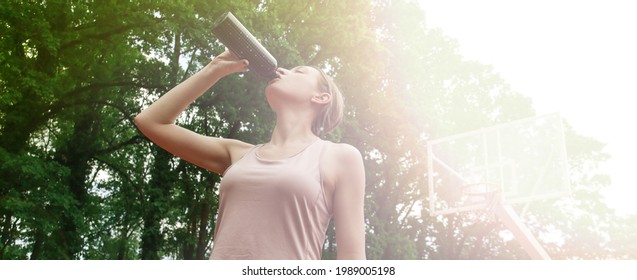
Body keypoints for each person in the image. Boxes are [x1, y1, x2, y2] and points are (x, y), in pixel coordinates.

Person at [134, 50, 366, 260]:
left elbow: (353, 260)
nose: (283, 70)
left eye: (300, 72)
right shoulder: (238, 154)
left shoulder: (339, 157)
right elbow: (151, 121)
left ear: (321, 97)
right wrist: (214, 70)